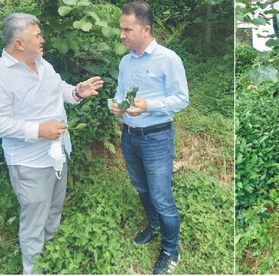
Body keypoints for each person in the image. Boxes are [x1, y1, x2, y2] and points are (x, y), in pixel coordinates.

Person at [0, 12, 103, 274]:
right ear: (19, 43)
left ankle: (51, 250)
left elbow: (57, 88)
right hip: (30, 163)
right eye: (37, 35)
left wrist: (76, 92)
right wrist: (37, 130)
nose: (42, 40)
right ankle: (32, 269)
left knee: (54, 207)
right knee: (34, 218)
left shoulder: (42, 63)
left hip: (57, 153)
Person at [109, 1, 189, 274]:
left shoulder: (168, 59)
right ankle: (154, 224)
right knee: (141, 187)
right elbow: (121, 94)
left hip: (156, 138)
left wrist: (149, 106)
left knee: (161, 195)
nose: (122, 35)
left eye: (127, 29)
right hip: (129, 136)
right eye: (121, 29)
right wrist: (116, 105)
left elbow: (182, 99)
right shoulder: (125, 61)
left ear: (146, 29)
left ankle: (171, 249)